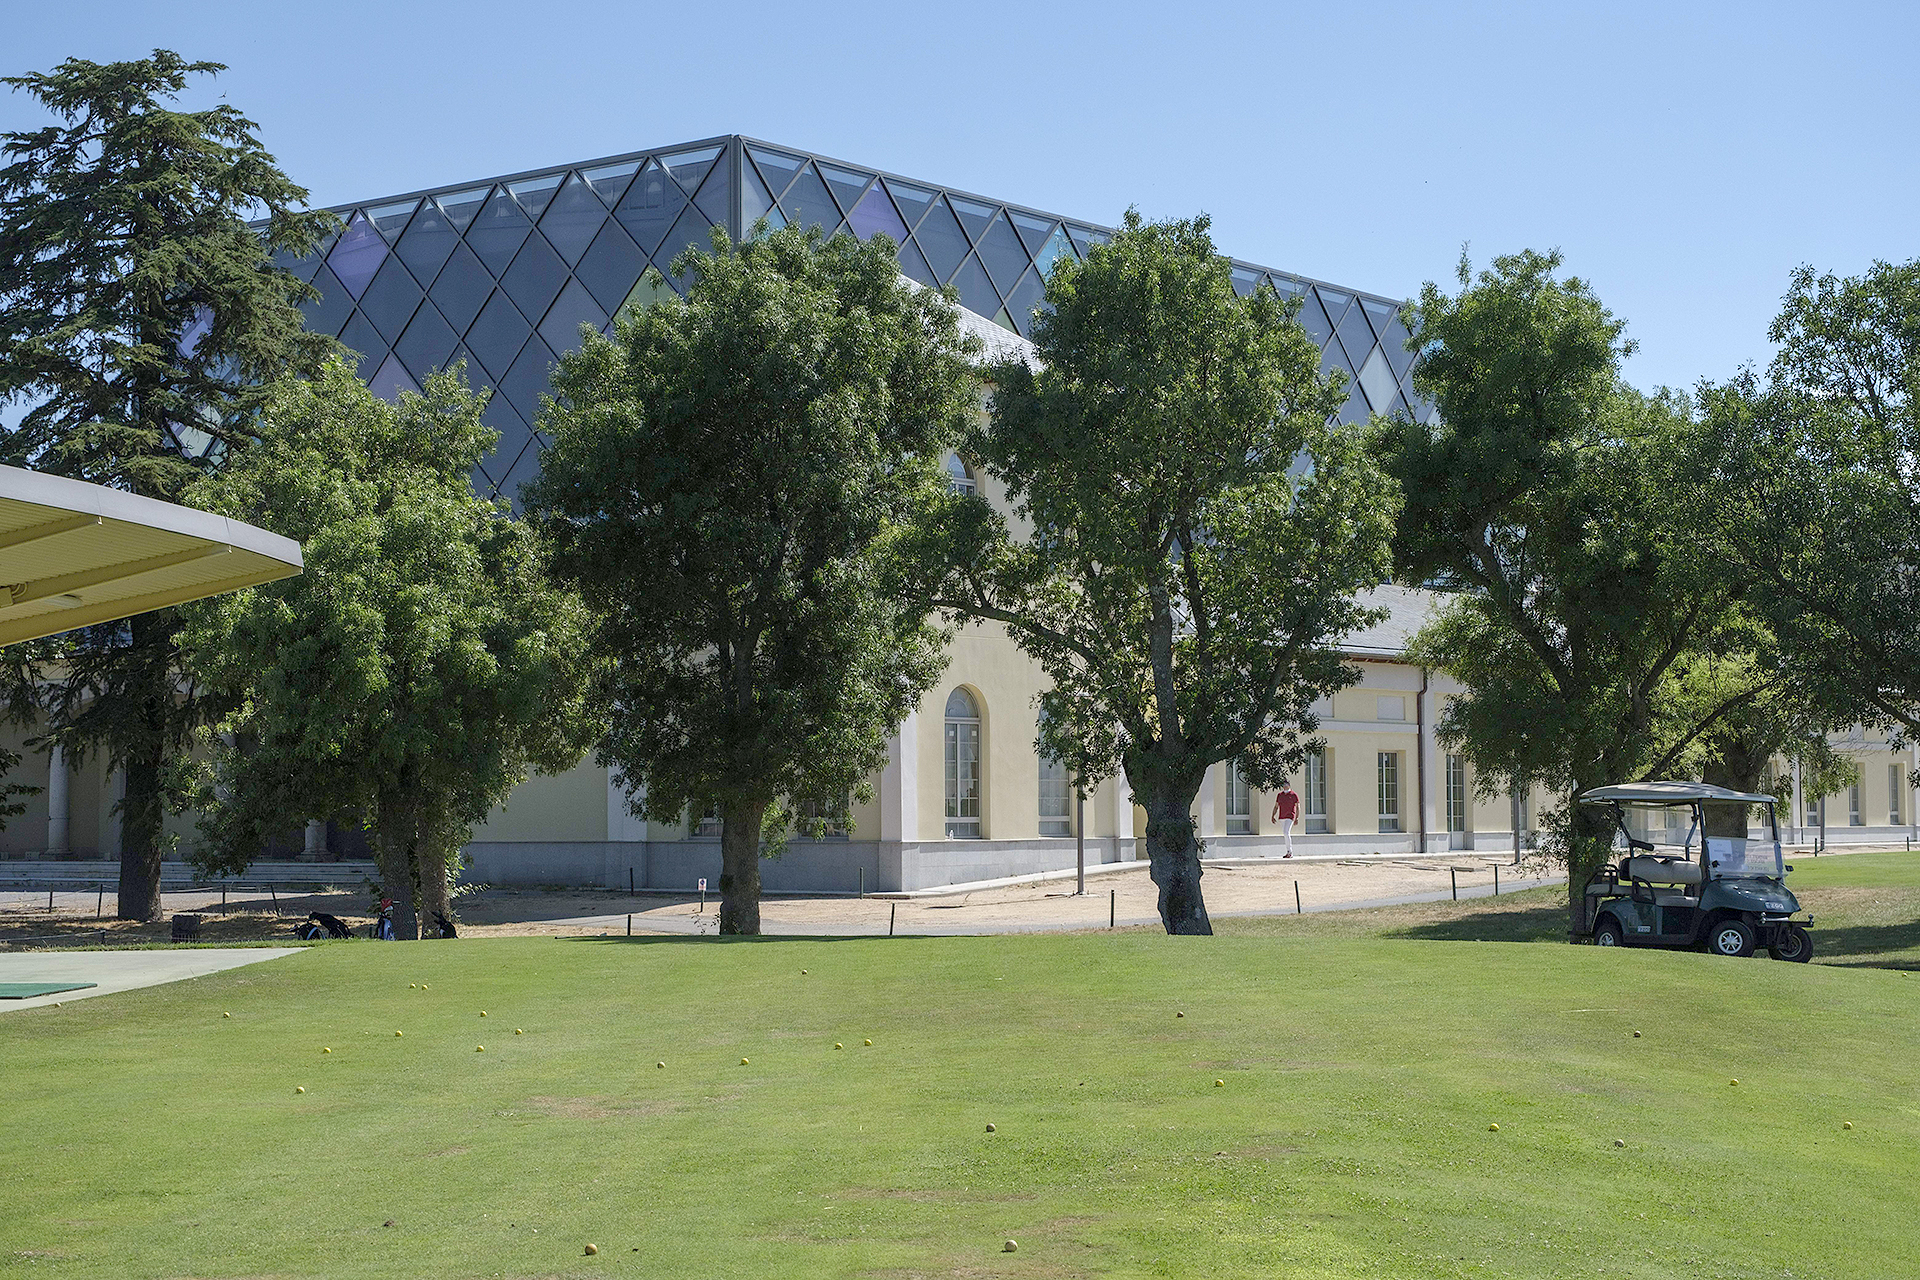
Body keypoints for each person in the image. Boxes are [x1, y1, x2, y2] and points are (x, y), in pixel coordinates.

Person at [1271, 782, 1301, 857]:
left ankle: (1290, 852)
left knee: (1286, 832)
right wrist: (1273, 815)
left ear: (1289, 785)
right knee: (1285, 834)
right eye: (1283, 785)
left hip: (1290, 816)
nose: (1284, 786)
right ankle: (1288, 851)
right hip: (1282, 817)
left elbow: (1298, 807)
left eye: (1286, 785)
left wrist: (1297, 817)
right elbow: (1276, 806)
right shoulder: (1280, 795)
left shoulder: (1293, 795)